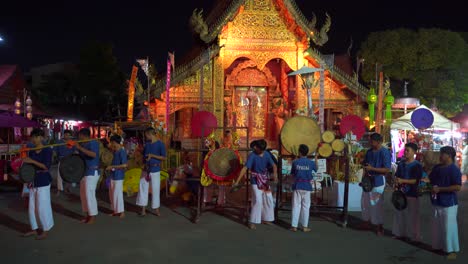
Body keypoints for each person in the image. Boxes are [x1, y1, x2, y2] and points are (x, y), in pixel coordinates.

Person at [422, 146, 462, 260]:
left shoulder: (454, 169)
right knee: (436, 226)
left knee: (449, 228)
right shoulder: (437, 167)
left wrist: (440, 189)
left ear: (449, 156)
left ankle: (452, 250)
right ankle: (438, 246)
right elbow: (431, 179)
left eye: (442, 154)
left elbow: (457, 187)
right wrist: (425, 181)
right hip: (436, 201)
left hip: (449, 203)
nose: (440, 156)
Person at [234, 139, 278, 230]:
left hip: (264, 180)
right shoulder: (252, 155)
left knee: (268, 198)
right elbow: (245, 168)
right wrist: (237, 181)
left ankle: (266, 218)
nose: (258, 150)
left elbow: (274, 165)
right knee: (257, 200)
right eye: (257, 148)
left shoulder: (266, 154)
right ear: (256, 147)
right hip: (255, 180)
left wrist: (275, 176)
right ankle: (252, 221)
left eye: (261, 149)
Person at [22, 128, 54, 240]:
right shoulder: (31, 149)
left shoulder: (47, 150)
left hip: (43, 181)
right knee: (32, 207)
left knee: (42, 207)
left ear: (41, 137)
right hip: (32, 180)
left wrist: (32, 161)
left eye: (35, 137)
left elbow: (46, 166)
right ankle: (34, 228)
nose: (33, 139)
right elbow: (29, 166)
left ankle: (45, 229)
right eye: (32, 137)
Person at [361, 133, 391, 236]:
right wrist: (364, 177)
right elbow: (365, 165)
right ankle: (367, 221)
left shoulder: (384, 152)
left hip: (378, 180)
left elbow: (387, 169)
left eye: (372, 141)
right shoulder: (369, 152)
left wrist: (372, 169)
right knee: (365, 202)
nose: (370, 142)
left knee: (377, 204)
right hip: (368, 180)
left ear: (378, 142)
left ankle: (379, 226)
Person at [392, 143, 423, 242]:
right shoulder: (401, 163)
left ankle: (414, 236)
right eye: (405, 150)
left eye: (407, 150)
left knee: (413, 216)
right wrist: (396, 183)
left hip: (412, 193)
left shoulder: (417, 165)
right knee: (399, 214)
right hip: (401, 193)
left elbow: (416, 181)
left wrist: (403, 181)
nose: (405, 152)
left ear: (414, 152)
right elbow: (397, 176)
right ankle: (400, 233)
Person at [136, 127, 166, 216]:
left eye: (146, 135)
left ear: (150, 134)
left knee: (155, 189)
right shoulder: (147, 145)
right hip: (146, 169)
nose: (146, 137)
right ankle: (143, 210)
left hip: (155, 170)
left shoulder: (160, 144)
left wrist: (152, 155)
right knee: (142, 188)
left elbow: (163, 157)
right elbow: (144, 156)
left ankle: (156, 209)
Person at [74, 128, 100, 224]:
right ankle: (88, 215)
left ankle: (92, 216)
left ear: (83, 135)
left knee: (90, 195)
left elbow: (93, 154)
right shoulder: (83, 144)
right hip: (84, 172)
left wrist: (79, 148)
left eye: (79, 135)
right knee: (84, 195)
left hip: (92, 172)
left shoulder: (93, 142)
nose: (78, 137)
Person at [290, 144, 316, 232]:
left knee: (296, 206)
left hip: (297, 185)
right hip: (307, 186)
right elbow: (316, 169)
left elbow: (292, 174)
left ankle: (294, 226)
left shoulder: (295, 162)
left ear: (299, 152)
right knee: (306, 206)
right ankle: (305, 226)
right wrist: (316, 158)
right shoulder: (311, 163)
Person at [106, 135, 127, 218]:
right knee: (112, 193)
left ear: (115, 142)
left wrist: (112, 167)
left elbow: (125, 165)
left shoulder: (121, 151)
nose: (112, 144)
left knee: (117, 194)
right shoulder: (114, 151)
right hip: (113, 175)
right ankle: (115, 210)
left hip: (118, 175)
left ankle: (121, 212)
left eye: (112, 142)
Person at [53, 130, 76, 195]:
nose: (67, 136)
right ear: (64, 135)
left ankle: (67, 188)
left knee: (69, 175)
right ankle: (59, 189)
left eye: (69, 135)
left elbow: (75, 151)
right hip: (61, 160)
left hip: (70, 161)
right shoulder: (59, 142)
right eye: (66, 135)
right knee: (60, 175)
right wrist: (54, 155)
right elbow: (55, 150)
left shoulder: (72, 142)